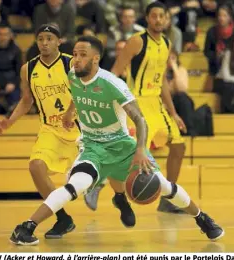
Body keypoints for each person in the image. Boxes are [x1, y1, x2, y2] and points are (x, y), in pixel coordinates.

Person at [9, 36, 224, 246]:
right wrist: (69, 112)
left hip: (124, 147)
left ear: (96, 59)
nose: (76, 59)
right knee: (75, 186)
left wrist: (140, 149)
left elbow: (140, 119)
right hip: (92, 147)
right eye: (74, 54)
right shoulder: (73, 74)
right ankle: (26, 227)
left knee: (164, 185)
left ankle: (202, 218)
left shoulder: (112, 83)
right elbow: (76, 94)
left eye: (82, 55)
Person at [85, 2, 187, 214]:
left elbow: (162, 83)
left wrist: (174, 113)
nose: (158, 20)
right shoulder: (136, 42)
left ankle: (167, 200)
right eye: (154, 16)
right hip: (136, 102)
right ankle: (97, 185)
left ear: (167, 19)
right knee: (129, 152)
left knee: (178, 147)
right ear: (147, 19)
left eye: (162, 16)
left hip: (156, 104)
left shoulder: (167, 43)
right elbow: (114, 72)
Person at [0, 24, 80, 239]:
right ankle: (63, 218)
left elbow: (84, 92)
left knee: (84, 183)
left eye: (49, 38)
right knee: (35, 167)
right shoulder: (28, 68)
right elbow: (27, 100)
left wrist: (71, 112)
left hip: (79, 129)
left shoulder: (71, 63)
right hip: (50, 129)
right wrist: (10, 121)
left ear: (59, 41)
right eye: (41, 38)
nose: (44, 43)